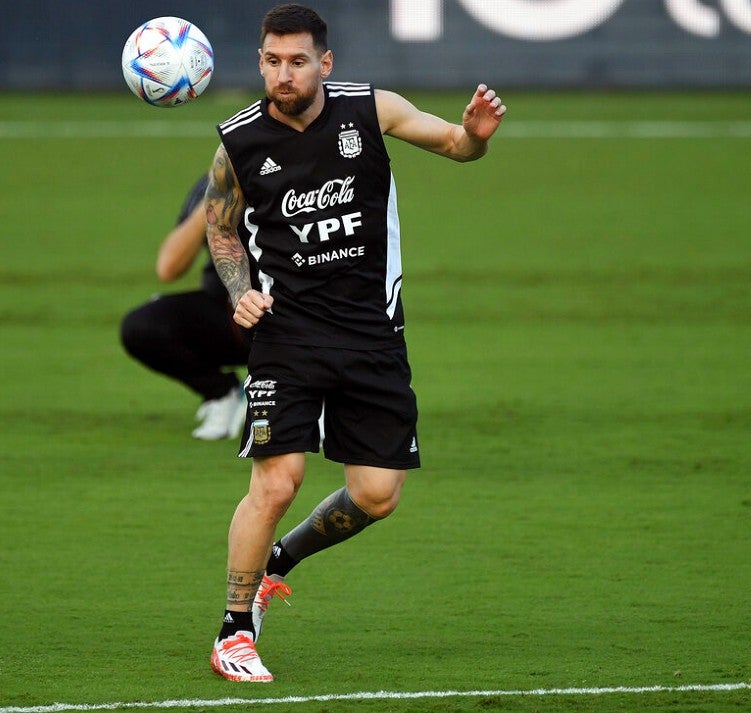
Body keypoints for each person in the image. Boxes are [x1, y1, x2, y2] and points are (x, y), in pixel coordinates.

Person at [205, 3, 506, 682]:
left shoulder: (373, 110)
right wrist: (238, 289)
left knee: (375, 494)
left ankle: (276, 563)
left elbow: (458, 144)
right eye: (273, 61)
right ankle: (232, 628)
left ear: (325, 63)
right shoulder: (239, 141)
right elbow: (221, 227)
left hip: (372, 335)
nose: (284, 74)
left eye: (298, 61)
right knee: (277, 480)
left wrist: (477, 135)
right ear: (261, 61)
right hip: (286, 334)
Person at [120, 174, 251, 440]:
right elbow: (168, 267)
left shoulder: (301, 177)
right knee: (143, 326)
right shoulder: (214, 183)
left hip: (295, 313)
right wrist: (215, 198)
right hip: (232, 312)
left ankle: (319, 402)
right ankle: (222, 392)